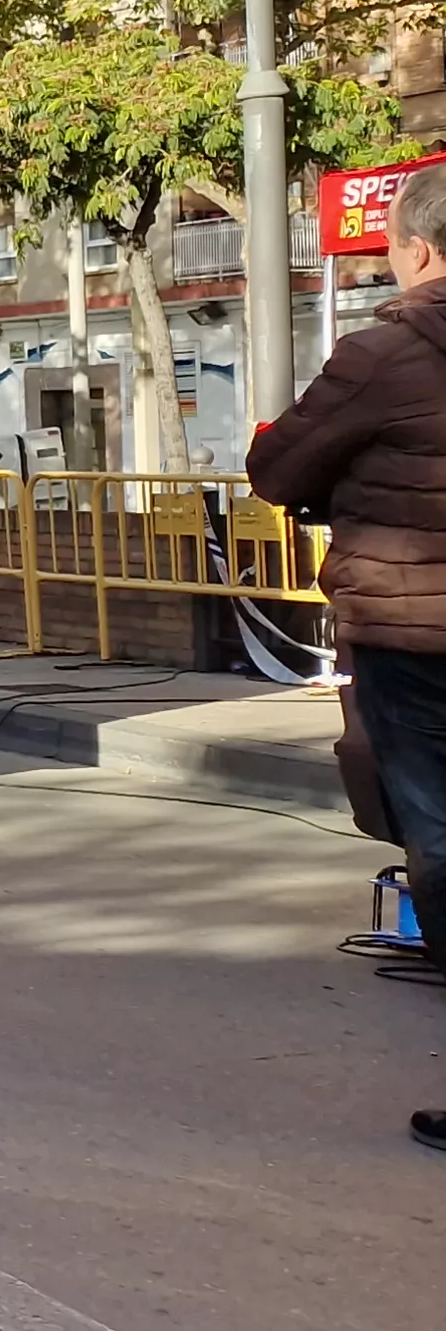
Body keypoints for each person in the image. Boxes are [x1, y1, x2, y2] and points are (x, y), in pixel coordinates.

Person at [248, 162, 446, 1158]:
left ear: (417, 249)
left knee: (438, 836)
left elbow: (278, 466)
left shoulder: (382, 354)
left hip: (418, 638)